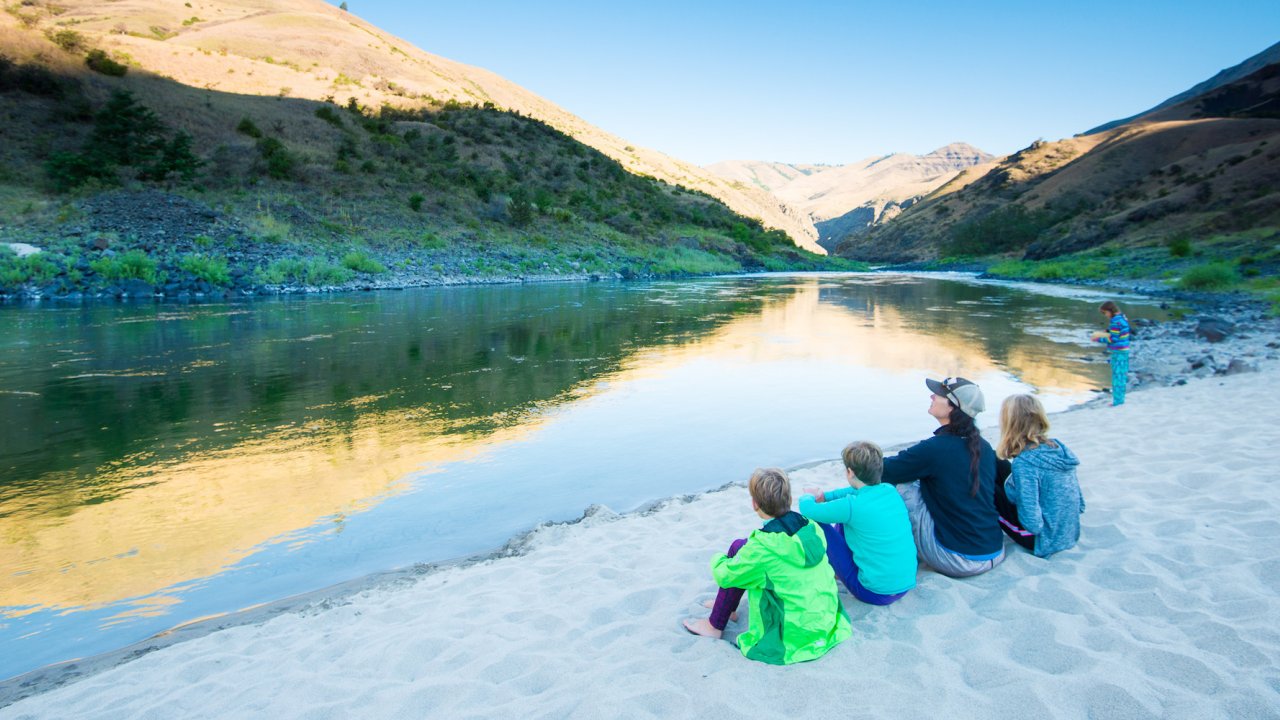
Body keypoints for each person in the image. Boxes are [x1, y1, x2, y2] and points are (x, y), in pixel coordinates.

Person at [683, 467, 852, 665]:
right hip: (826, 623)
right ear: (788, 499)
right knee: (742, 548)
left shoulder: (762, 549)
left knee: (739, 552)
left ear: (755, 504)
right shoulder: (811, 527)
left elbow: (724, 575)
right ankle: (728, 609)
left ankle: (714, 625)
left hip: (792, 637)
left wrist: (718, 558)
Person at [881, 377, 1005, 578]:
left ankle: (882, 553)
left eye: (938, 394)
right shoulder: (983, 447)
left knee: (902, 486)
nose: (932, 396)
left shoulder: (936, 448)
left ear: (952, 407)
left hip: (957, 558)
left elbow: (882, 471)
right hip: (994, 550)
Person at [798, 441, 916, 605]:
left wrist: (808, 495)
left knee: (817, 522)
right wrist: (825, 496)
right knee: (844, 517)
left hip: (872, 592)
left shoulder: (852, 505)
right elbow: (854, 491)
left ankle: (826, 568)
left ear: (850, 472)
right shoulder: (889, 490)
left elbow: (807, 510)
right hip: (903, 586)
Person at [993, 395, 1084, 558]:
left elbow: (1032, 524)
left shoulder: (1024, 463)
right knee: (996, 460)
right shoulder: (1060, 449)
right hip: (1070, 532)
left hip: (1042, 540)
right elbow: (1081, 505)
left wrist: (1013, 496)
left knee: (987, 487)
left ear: (1009, 424)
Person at [1093, 300, 1131, 406]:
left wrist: (1098, 339)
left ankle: (1117, 402)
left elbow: (1113, 339)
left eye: (1105, 313)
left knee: (1117, 377)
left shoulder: (1115, 321)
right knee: (1121, 375)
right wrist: (1107, 332)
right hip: (1124, 350)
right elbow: (1118, 332)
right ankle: (1120, 400)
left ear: (1110, 311)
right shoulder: (1122, 318)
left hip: (1118, 351)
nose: (1105, 315)